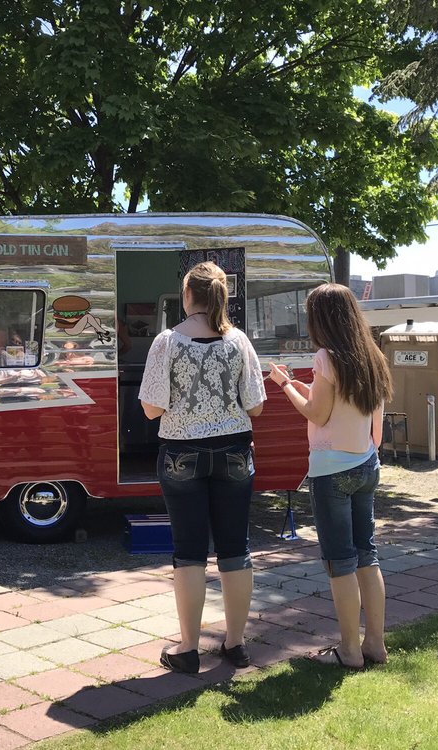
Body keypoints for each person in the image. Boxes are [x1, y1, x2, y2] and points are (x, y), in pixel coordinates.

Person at [139, 261, 266, 673]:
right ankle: (235, 644)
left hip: (181, 453)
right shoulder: (239, 341)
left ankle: (189, 648)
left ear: (188, 295)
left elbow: (151, 409)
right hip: (233, 451)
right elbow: (256, 405)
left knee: (189, 554)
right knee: (236, 550)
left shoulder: (166, 342)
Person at [267, 283, 393, 669]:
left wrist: (285, 384)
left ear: (320, 318)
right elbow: (355, 410)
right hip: (365, 464)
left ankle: (349, 651)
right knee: (366, 555)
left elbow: (317, 414)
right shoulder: (370, 354)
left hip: (331, 471)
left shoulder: (326, 357)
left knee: (340, 562)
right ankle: (375, 644)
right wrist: (308, 390)